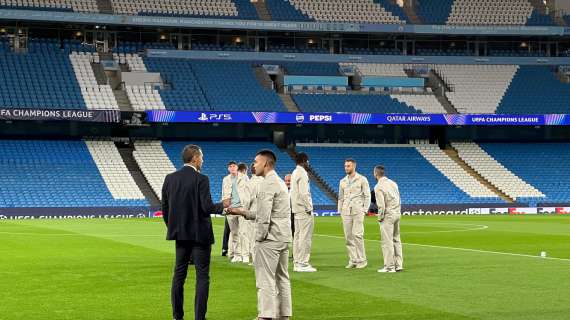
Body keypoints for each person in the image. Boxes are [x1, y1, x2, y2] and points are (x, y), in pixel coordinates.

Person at [162, 144, 231, 320]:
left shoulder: (170, 178)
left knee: (179, 275)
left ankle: (177, 316)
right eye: (201, 157)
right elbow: (207, 207)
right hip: (200, 235)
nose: (202, 160)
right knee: (202, 277)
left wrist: (174, 227)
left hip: (180, 235)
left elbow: (165, 209)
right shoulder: (202, 179)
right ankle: (199, 317)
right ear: (194, 158)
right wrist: (223, 205)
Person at [227, 150, 292, 320]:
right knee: (282, 278)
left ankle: (265, 315)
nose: (253, 165)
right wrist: (244, 212)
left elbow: (264, 217)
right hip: (283, 237)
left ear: (265, 163)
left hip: (269, 238)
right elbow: (269, 212)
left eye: (256, 162)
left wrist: (259, 238)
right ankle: (284, 314)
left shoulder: (267, 184)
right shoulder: (279, 182)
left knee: (265, 279)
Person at [338, 158, 371, 269]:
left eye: (348, 166)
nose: (346, 168)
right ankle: (353, 260)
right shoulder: (342, 181)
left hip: (358, 211)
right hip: (346, 211)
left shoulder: (362, 179)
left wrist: (365, 209)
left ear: (354, 166)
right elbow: (340, 198)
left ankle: (362, 260)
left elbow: (367, 195)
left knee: (357, 235)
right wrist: (340, 210)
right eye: (345, 166)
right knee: (348, 237)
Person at [373, 165, 403, 273]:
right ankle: (399, 265)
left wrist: (380, 217)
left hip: (388, 214)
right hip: (397, 213)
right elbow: (399, 198)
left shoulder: (378, 187)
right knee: (396, 239)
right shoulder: (393, 183)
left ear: (375, 173)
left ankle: (389, 267)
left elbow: (381, 205)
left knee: (387, 241)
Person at [290, 152, 317, 273]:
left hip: (296, 209)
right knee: (305, 237)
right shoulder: (303, 173)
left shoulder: (295, 172)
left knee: (297, 236)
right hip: (303, 210)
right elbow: (304, 193)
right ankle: (303, 263)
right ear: (304, 161)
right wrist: (309, 207)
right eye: (308, 162)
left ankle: (297, 262)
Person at [222, 161, 250, 263]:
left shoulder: (244, 177)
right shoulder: (225, 179)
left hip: (242, 208)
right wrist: (225, 207)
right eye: (230, 166)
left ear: (237, 167)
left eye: (234, 166)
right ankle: (237, 255)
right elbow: (224, 194)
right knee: (234, 233)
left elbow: (249, 191)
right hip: (231, 208)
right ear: (228, 169)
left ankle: (245, 255)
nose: (232, 168)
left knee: (244, 232)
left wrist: (247, 206)